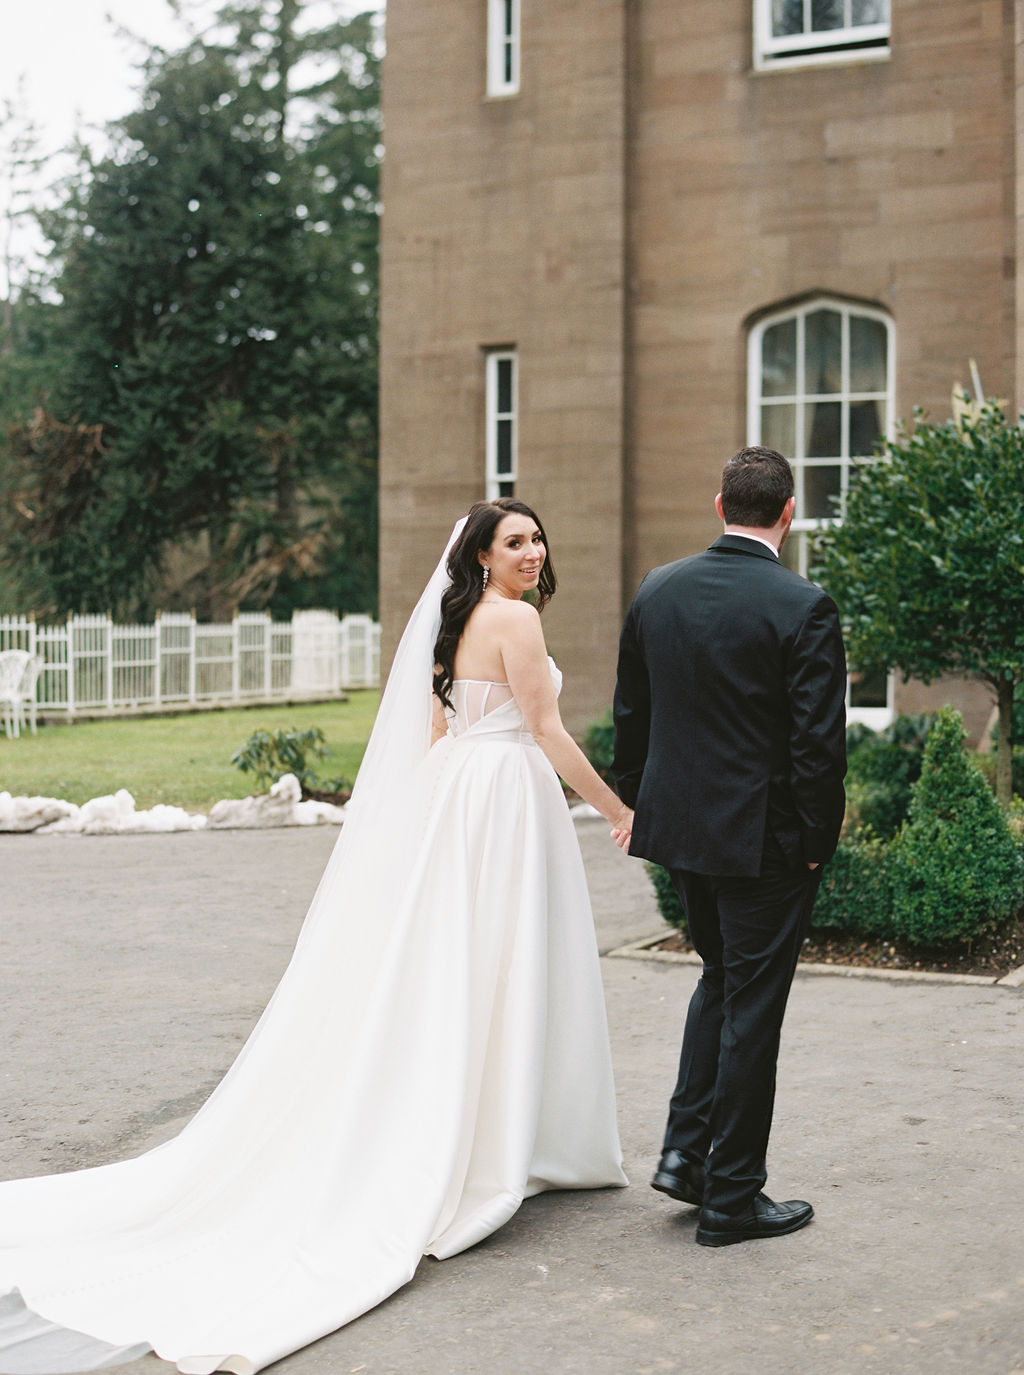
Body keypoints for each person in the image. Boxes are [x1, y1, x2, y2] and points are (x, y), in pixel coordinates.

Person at [0, 498, 632, 1374]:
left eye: (536, 536)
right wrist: (617, 810)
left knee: (468, 968)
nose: (533, 550)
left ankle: (504, 1129)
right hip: (503, 800)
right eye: (514, 540)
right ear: (482, 557)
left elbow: (443, 727)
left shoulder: (457, 621)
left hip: (464, 798)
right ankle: (504, 1138)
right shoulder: (515, 618)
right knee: (503, 968)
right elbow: (546, 728)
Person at [611, 446, 847, 1247]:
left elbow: (632, 715)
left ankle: (686, 1157)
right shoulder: (804, 604)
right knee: (752, 1006)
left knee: (719, 982)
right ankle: (733, 1198)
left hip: (681, 832)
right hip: (766, 845)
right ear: (789, 511)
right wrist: (815, 843)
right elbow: (820, 745)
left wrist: (646, 809)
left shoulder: (657, 589)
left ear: (720, 506)